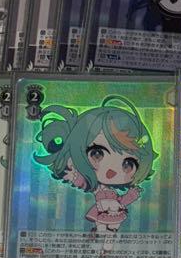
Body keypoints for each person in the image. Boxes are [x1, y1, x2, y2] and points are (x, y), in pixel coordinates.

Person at [33, 96, 157, 241]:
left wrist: (130, 196)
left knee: (111, 232)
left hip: (114, 213)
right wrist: (72, 174)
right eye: (97, 154)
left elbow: (121, 201)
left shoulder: (111, 193)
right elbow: (83, 182)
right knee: (103, 229)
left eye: (128, 165)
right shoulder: (94, 185)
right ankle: (99, 237)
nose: (112, 170)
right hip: (102, 212)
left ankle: (104, 245)